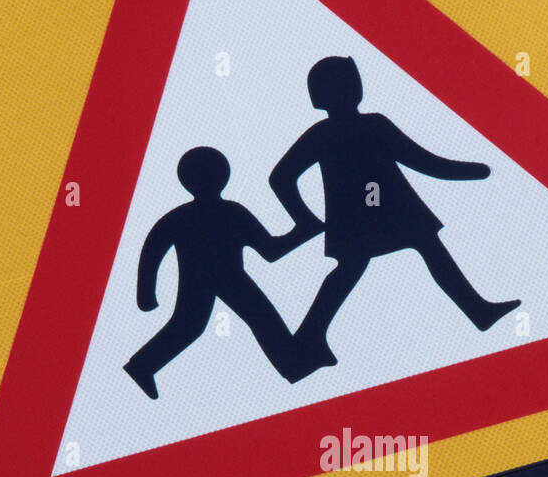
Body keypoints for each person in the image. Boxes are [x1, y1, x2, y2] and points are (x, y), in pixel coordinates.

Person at [268, 56, 521, 357]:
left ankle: (309, 337)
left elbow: (421, 160)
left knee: (369, 263)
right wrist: (469, 171)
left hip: (370, 213)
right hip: (382, 212)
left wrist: (305, 220)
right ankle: (309, 336)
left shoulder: (334, 132)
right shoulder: (357, 128)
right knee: (385, 258)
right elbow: (423, 161)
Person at [123, 146, 326, 399]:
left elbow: (153, 250)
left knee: (193, 325)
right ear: (223, 176)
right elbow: (271, 251)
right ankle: (292, 365)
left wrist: (146, 293)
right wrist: (303, 232)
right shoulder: (229, 212)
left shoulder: (183, 216)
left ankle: (143, 365)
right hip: (227, 279)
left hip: (204, 280)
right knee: (255, 319)